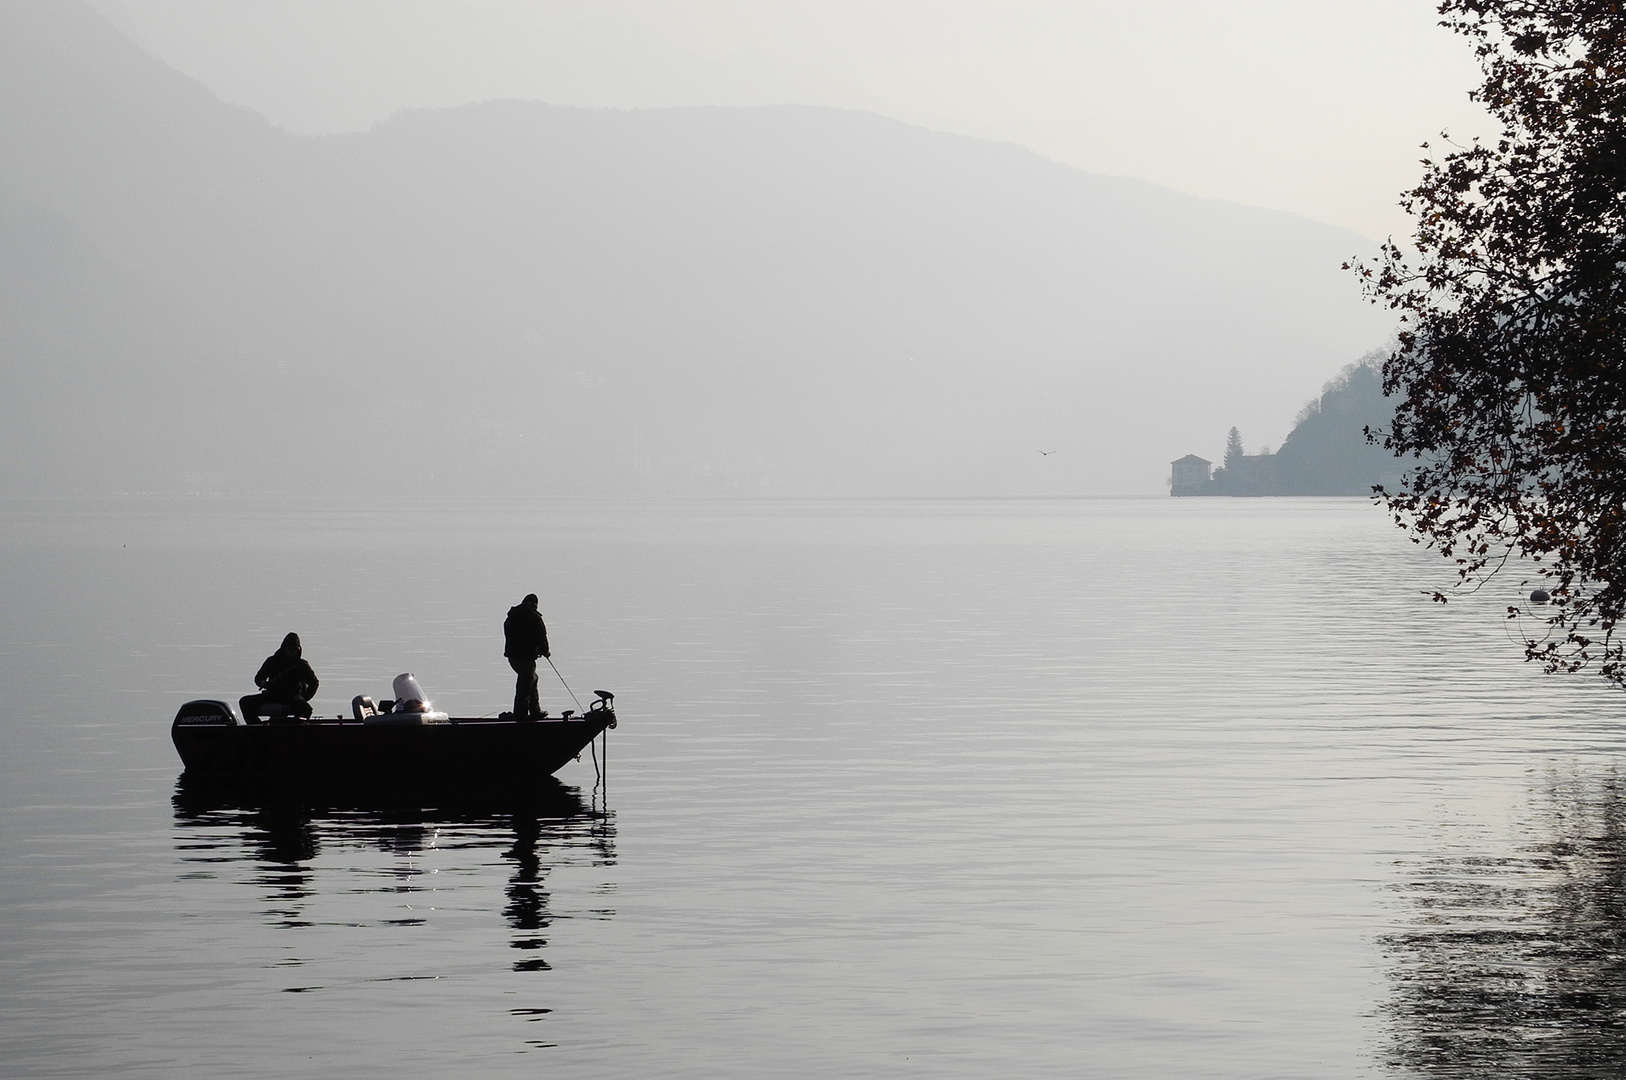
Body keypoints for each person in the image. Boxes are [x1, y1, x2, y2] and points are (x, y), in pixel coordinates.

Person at [239, 632, 320, 724]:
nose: (293, 651)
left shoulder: (302, 665)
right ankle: (257, 728)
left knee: (306, 710)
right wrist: (263, 683)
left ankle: (293, 728)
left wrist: (304, 697)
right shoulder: (272, 661)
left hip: (292, 697)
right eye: (290, 649)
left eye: (296, 649)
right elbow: (258, 677)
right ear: (284, 648)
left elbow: (314, 683)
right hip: (272, 695)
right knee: (245, 702)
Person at [503, 593, 550, 718]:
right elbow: (542, 636)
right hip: (526, 657)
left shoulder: (512, 616)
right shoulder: (534, 618)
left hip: (513, 657)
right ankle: (522, 714)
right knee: (527, 680)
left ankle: (531, 712)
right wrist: (545, 651)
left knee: (531, 678)